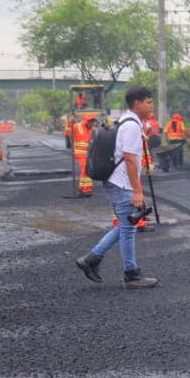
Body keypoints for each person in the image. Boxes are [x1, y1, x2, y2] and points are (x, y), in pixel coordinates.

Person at [74, 86, 158, 289]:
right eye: (148, 101)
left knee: (124, 225)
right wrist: (137, 191)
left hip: (118, 182)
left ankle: (92, 259)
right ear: (136, 103)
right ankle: (131, 274)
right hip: (122, 184)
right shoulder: (130, 126)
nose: (151, 104)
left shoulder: (129, 121)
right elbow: (129, 159)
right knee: (127, 229)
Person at [71, 114, 96, 196]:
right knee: (86, 171)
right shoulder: (77, 126)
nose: (92, 124)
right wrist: (69, 122)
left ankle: (83, 189)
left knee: (86, 171)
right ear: (86, 121)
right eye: (91, 122)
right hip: (81, 154)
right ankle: (85, 190)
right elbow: (68, 133)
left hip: (88, 154)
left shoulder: (91, 129)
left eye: (93, 122)